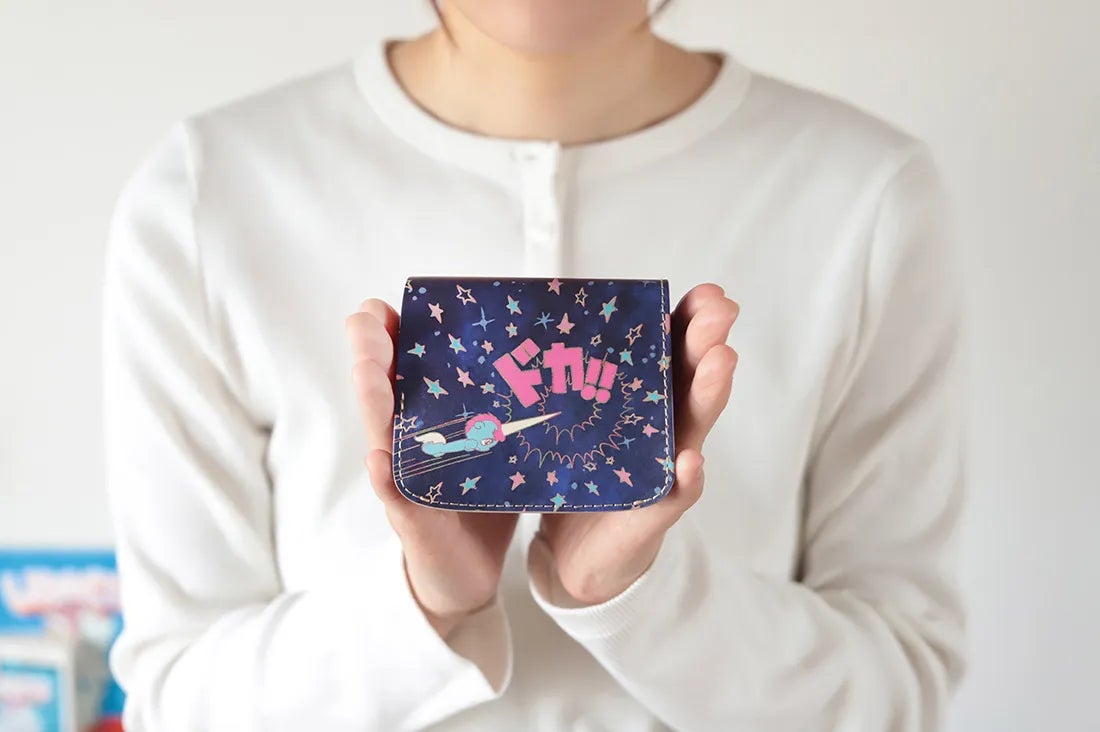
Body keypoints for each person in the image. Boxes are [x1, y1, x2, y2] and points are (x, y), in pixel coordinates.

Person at [101, 1, 967, 730]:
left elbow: (897, 685)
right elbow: (178, 700)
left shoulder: (865, 196)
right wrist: (423, 602)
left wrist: (635, 595)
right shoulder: (207, 194)